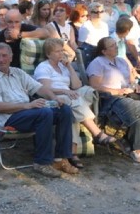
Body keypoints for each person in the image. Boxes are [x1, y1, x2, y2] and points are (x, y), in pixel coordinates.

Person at [0, 43, 79, 178]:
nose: (1, 59)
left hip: (28, 113)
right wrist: (28, 106)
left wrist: (55, 99)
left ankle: (60, 159)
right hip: (8, 117)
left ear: (11, 57)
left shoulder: (18, 72)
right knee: (44, 113)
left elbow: (39, 88)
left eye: (4, 56)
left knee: (64, 110)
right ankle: (42, 162)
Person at [34, 38, 120, 166]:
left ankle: (72, 153)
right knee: (73, 101)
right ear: (48, 54)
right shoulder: (43, 67)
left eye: (62, 51)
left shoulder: (63, 67)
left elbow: (77, 85)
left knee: (84, 95)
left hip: (69, 96)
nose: (61, 54)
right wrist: (64, 92)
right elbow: (44, 89)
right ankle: (96, 133)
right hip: (52, 99)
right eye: (57, 52)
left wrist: (70, 68)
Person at [87, 37, 140, 164]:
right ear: (104, 51)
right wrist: (116, 91)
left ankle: (127, 139)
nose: (116, 47)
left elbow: (131, 80)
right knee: (136, 110)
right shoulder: (98, 63)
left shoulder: (122, 61)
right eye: (112, 46)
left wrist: (135, 84)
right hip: (110, 98)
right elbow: (94, 86)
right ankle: (137, 148)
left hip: (129, 94)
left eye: (115, 44)